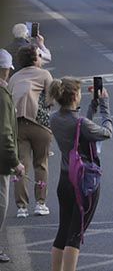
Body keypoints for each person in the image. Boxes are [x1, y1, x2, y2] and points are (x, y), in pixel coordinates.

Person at [48, 77, 111, 271]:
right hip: (84, 182)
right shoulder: (80, 123)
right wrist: (104, 106)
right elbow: (106, 132)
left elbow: (79, 129)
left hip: (65, 180)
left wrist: (91, 108)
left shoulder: (55, 118)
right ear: (75, 95)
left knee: (64, 230)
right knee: (75, 234)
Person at [10, 46, 53, 218]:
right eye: (39, 55)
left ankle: (21, 207)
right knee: (41, 164)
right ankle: (40, 203)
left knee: (22, 165)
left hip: (18, 125)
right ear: (35, 59)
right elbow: (51, 99)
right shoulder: (44, 74)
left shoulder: (14, 77)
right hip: (40, 125)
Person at [0, 50, 24, 264]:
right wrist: (15, 161)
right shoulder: (3, 96)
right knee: (1, 203)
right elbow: (5, 133)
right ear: (5, 70)